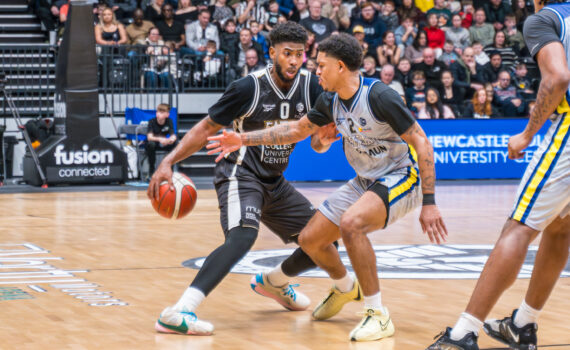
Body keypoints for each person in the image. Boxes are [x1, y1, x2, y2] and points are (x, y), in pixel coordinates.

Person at [207, 32, 447, 343]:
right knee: (311, 239)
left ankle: (377, 314)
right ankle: (347, 289)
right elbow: (295, 130)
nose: (315, 71)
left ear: (341, 67)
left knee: (351, 224)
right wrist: (244, 138)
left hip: (401, 176)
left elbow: (422, 142)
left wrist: (429, 201)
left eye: (322, 66)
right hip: (365, 180)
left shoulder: (380, 97)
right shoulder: (329, 100)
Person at [149, 22, 327, 336]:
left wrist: (326, 139)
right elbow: (205, 129)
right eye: (287, 54)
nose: (294, 61)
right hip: (240, 174)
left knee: (324, 241)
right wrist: (168, 161)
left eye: (299, 54)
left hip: (275, 181)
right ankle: (178, 312)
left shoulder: (312, 86)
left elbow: (315, 142)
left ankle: (275, 282)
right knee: (243, 236)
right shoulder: (247, 87)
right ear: (272, 53)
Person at [427, 0, 570, 348]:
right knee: (561, 226)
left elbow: (558, 77)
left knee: (518, 227)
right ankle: (523, 323)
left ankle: (464, 332)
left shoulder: (544, 19)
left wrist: (526, 134)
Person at [145, 104, 178, 177]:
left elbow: (173, 135)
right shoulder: (152, 121)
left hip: (164, 143)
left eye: (161, 112)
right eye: (158, 112)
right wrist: (160, 139)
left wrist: (171, 139)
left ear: (167, 114)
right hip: (154, 143)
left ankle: (169, 168)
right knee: (151, 144)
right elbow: (149, 137)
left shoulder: (169, 121)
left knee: (175, 143)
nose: (158, 114)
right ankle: (152, 168)